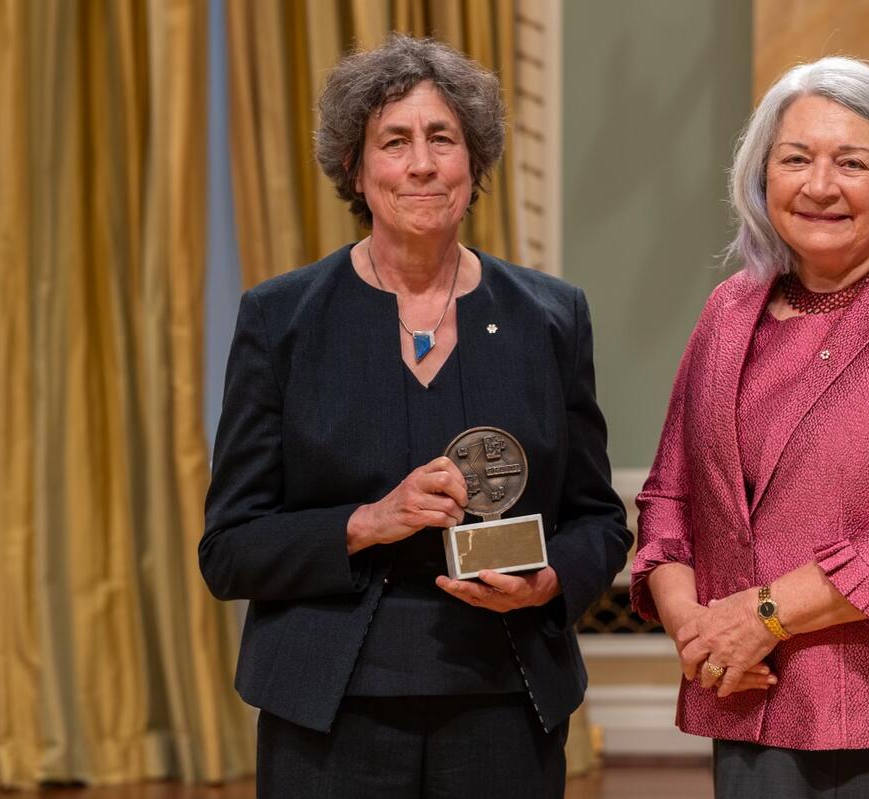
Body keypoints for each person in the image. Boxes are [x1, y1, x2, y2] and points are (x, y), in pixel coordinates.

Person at [200, 34, 630, 799]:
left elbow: (598, 518)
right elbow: (230, 550)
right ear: (355, 171)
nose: (423, 164)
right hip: (328, 706)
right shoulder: (281, 320)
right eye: (394, 142)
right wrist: (369, 520)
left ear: (475, 164)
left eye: (444, 139)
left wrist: (549, 581)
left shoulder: (551, 317)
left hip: (505, 692)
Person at [631, 57, 869, 798]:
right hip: (751, 701)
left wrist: (761, 616)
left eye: (851, 162)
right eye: (795, 159)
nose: (819, 186)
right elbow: (668, 501)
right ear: (761, 176)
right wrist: (699, 634)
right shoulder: (727, 311)